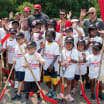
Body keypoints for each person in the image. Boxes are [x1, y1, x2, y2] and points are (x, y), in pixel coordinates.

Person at [59, 36, 78, 101]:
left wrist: (71, 60)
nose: (68, 45)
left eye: (70, 44)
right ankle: (61, 93)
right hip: (63, 69)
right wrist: (61, 63)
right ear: (64, 44)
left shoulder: (75, 51)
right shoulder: (62, 51)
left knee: (69, 83)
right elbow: (59, 61)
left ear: (73, 44)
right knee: (62, 82)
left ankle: (68, 94)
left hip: (70, 70)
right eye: (67, 43)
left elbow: (76, 61)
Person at [43, 31, 59, 99]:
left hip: (53, 67)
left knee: (54, 81)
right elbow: (41, 53)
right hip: (45, 66)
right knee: (48, 80)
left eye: (50, 36)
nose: (48, 37)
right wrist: (41, 48)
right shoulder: (44, 44)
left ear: (53, 37)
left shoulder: (55, 44)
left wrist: (52, 64)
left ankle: (54, 92)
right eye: (47, 36)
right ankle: (49, 91)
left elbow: (56, 55)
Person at [12, 32, 26, 100]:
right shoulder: (16, 45)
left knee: (20, 80)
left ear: (23, 38)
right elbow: (15, 55)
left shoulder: (25, 46)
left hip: (22, 66)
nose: (18, 40)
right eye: (17, 39)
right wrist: (14, 59)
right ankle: (21, 89)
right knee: (18, 77)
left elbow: (28, 56)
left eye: (19, 39)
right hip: (17, 65)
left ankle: (18, 94)